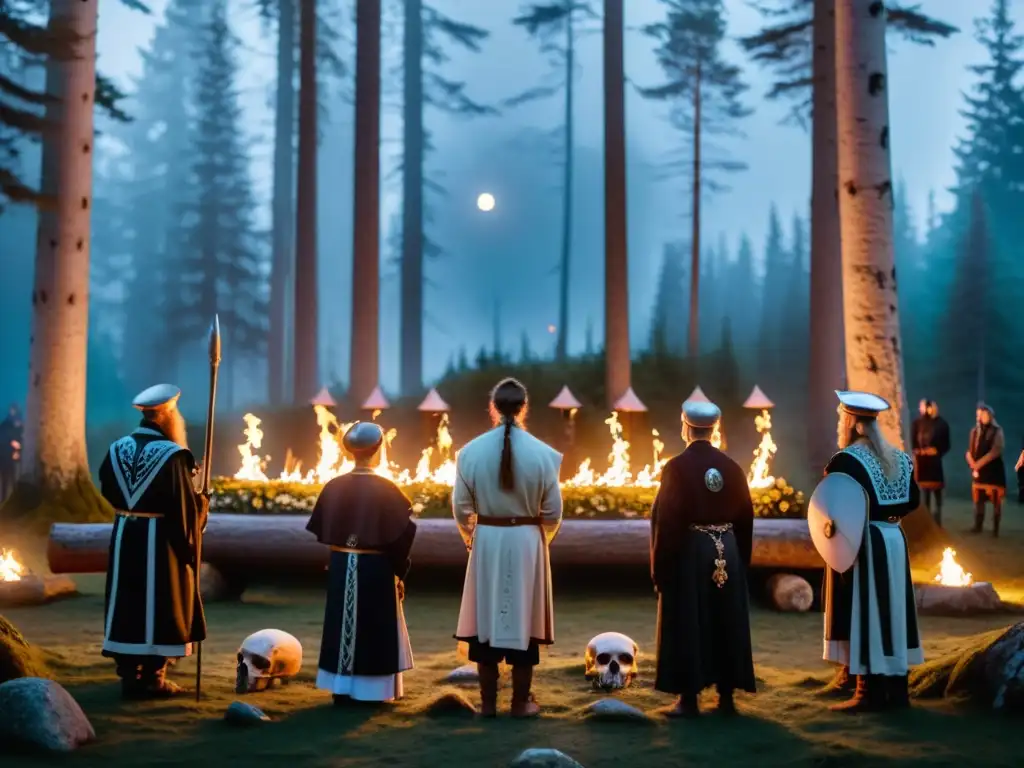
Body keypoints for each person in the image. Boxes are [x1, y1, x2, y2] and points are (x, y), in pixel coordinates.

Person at [453, 378, 563, 718]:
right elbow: (553, 512)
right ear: (524, 407)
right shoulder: (545, 455)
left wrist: (470, 538)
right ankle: (520, 702)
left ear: (493, 407)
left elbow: (460, 507)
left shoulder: (468, 453)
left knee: (486, 617)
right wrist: (540, 541)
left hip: (487, 540)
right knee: (524, 620)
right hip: (527, 543)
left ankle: (487, 705)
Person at [98, 384, 208, 699]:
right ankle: (153, 677)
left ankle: (128, 676)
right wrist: (199, 511)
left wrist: (130, 512)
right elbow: (181, 508)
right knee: (161, 602)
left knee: (127, 602)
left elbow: (106, 486)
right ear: (166, 414)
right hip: (161, 541)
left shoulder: (117, 447)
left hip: (124, 536)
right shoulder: (174, 455)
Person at [650, 400, 756, 718]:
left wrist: (661, 570)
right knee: (726, 619)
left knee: (688, 618)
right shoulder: (732, 466)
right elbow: (746, 517)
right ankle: (726, 698)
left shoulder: (676, 467)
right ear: (715, 429)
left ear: (685, 427)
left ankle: (688, 699)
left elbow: (666, 521)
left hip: (691, 551)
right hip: (728, 550)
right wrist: (741, 562)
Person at [821, 391, 923, 713]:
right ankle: (898, 690)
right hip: (894, 538)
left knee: (867, 610)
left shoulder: (845, 461)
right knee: (893, 611)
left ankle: (868, 692)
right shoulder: (901, 459)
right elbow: (913, 501)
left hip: (864, 542)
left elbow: (832, 505)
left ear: (850, 421)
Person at [306, 421, 416, 704]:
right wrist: (399, 571)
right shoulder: (388, 489)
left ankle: (341, 688)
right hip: (376, 568)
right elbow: (402, 533)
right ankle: (372, 692)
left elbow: (326, 531)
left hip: (342, 564)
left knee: (342, 624)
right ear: (379, 449)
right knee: (374, 627)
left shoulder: (334, 486)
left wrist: (346, 552)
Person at [966, 403, 1006, 536]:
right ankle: (978, 525)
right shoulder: (975, 431)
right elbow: (971, 450)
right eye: (979, 415)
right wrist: (971, 461)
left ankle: (996, 528)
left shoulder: (997, 431)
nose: (981, 417)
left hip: (993, 470)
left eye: (984, 414)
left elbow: (995, 451)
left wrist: (979, 463)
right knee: (978, 499)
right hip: (980, 471)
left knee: (996, 500)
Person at [910, 399, 950, 525]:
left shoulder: (941, 424)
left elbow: (946, 444)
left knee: (937, 490)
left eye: (928, 407)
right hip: (922, 463)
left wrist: (936, 450)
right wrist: (918, 451)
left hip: (935, 463)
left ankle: (937, 518)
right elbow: (913, 441)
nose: (926, 409)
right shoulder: (917, 423)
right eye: (923, 407)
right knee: (924, 492)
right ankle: (926, 520)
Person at [0, 403, 23, 503]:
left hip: (15, 458)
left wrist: (18, 450)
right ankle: (4, 500)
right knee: (6, 479)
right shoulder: (5, 425)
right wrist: (11, 443)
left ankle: (14, 500)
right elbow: (2, 439)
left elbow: (22, 439)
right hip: (5, 457)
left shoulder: (19, 425)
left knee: (15, 479)